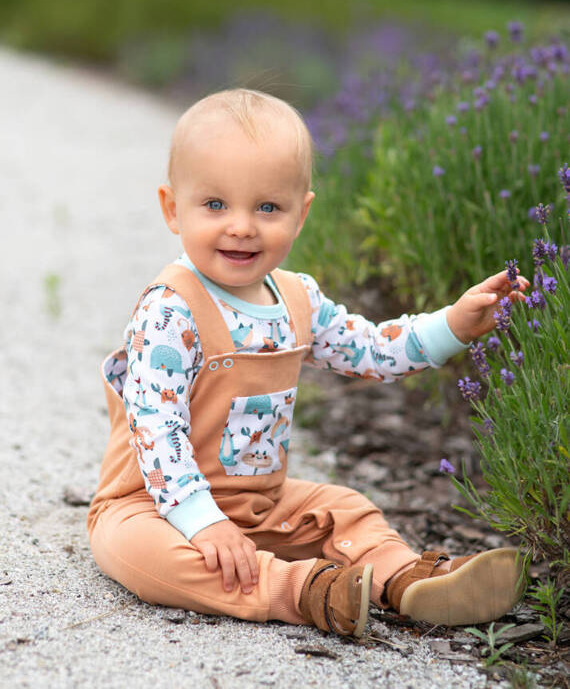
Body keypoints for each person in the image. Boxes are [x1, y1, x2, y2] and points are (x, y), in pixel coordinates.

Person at [88, 88, 528, 638]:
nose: (242, 226)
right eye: (216, 205)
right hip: (153, 504)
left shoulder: (298, 300)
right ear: (174, 209)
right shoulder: (171, 310)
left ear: (302, 214)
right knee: (142, 553)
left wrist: (453, 325)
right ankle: (305, 591)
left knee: (346, 506)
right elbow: (158, 432)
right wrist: (201, 523)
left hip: (260, 505)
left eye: (268, 207)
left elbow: (372, 350)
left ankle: (406, 580)